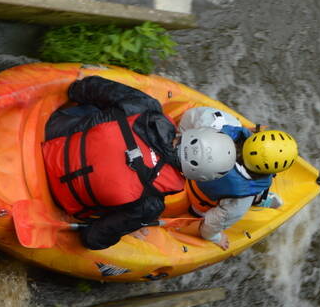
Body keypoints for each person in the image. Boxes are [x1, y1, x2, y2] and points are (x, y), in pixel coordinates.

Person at [42, 75, 236, 250]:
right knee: (124, 208)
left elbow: (85, 88)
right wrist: (128, 227)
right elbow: (93, 239)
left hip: (49, 137)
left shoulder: (145, 107)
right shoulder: (151, 204)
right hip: (57, 198)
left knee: (105, 110)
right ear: (199, 176)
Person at [180, 106, 298, 250]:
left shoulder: (221, 123)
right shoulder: (240, 201)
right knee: (244, 195)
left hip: (182, 161)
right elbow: (210, 226)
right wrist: (215, 237)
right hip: (195, 201)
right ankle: (258, 198)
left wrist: (180, 137)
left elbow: (190, 116)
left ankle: (258, 197)